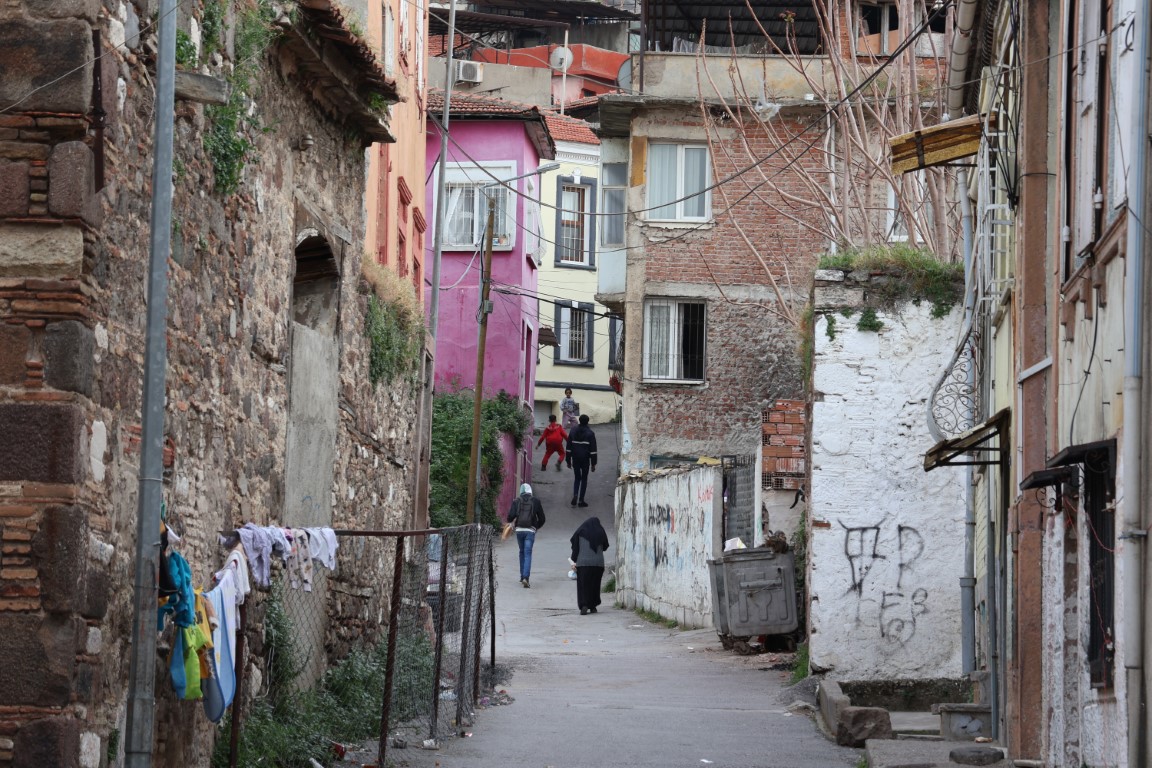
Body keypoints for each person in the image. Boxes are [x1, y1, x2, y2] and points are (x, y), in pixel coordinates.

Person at [507, 483, 545, 588]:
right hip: (530, 531)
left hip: (519, 530)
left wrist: (512, 522)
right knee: (528, 553)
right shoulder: (536, 501)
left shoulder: (516, 501)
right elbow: (542, 519)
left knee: (522, 552)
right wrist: (535, 527)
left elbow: (510, 517)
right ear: (530, 491)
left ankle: (521, 576)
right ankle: (526, 577)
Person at [570, 516, 609, 615]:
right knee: (595, 585)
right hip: (598, 563)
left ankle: (584, 605)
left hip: (583, 564)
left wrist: (574, 560)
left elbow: (575, 548)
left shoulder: (581, 531)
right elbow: (605, 546)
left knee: (584, 585)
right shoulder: (601, 531)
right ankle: (593, 606)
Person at [565, 415, 597, 508]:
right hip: (585, 459)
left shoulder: (573, 430)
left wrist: (568, 460)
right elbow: (593, 450)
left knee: (577, 478)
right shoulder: (590, 433)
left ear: (579, 420)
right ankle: (581, 500)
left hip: (575, 458)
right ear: (587, 422)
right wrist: (593, 464)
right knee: (584, 479)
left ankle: (575, 494)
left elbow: (568, 447)